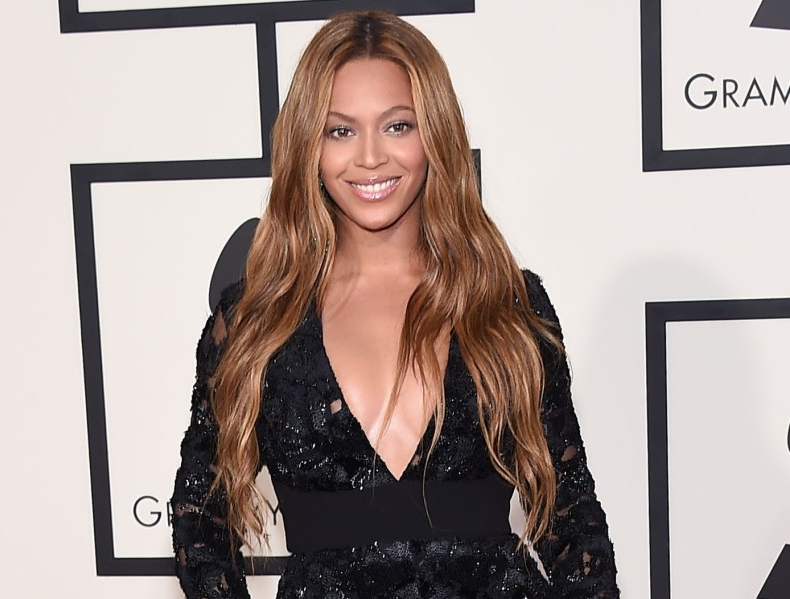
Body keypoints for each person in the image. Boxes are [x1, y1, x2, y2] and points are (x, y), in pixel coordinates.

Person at [171, 11, 619, 599]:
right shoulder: (256, 321)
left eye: (398, 125)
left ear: (436, 135)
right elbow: (200, 523)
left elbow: (572, 517)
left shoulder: (504, 302)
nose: (370, 157)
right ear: (308, 145)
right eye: (340, 131)